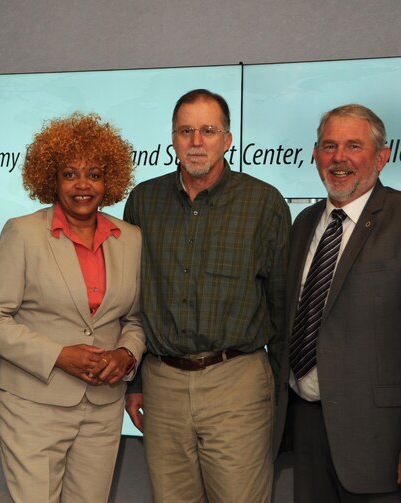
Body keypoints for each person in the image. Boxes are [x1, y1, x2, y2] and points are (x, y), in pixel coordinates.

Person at [278, 103, 401, 502]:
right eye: (328, 146)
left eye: (353, 146)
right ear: (315, 155)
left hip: (385, 443)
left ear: (382, 157)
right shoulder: (303, 224)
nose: (339, 158)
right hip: (308, 430)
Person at [123, 89, 290, 502]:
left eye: (208, 130)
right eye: (186, 131)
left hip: (236, 381)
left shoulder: (263, 202)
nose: (196, 141)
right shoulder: (144, 201)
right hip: (162, 383)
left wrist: (278, 390)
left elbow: (284, 306)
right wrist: (136, 380)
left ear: (228, 140)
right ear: (173, 138)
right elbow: (133, 302)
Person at [0, 112, 146, 502]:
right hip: (32, 403)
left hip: (103, 405)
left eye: (94, 174)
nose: (83, 185)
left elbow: (135, 319)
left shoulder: (130, 238)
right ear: (51, 178)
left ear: (110, 181)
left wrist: (127, 353)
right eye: (70, 174)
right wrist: (59, 355)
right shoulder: (23, 233)